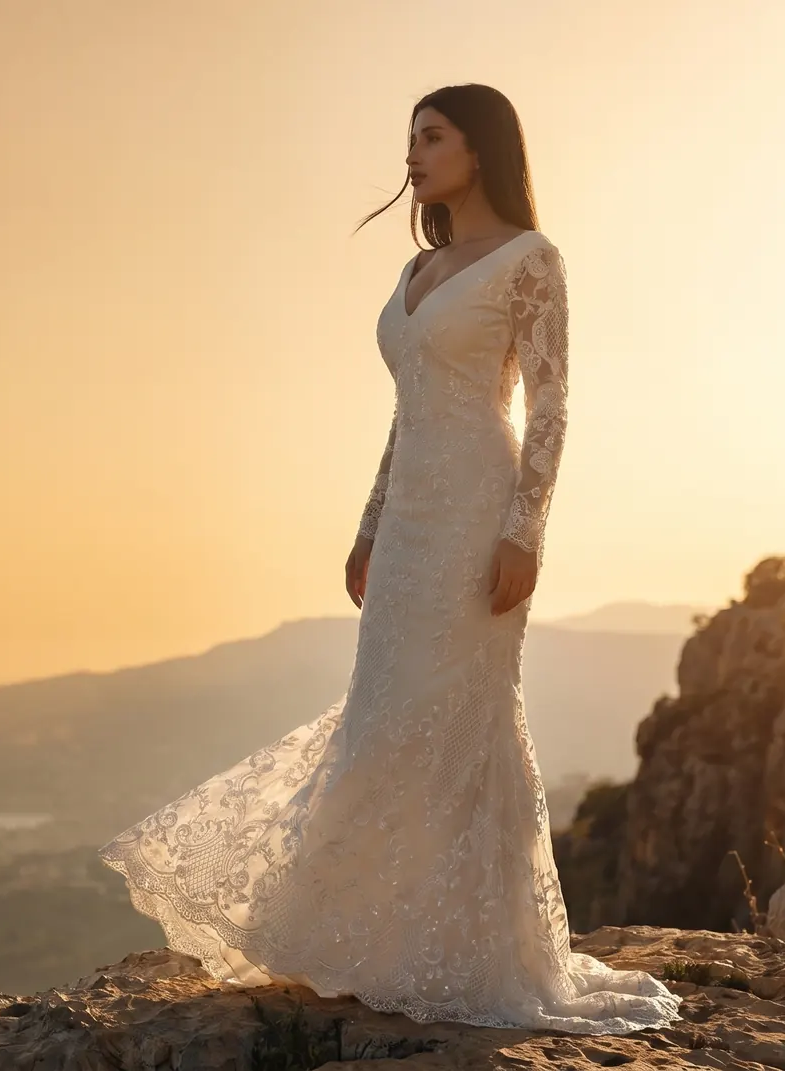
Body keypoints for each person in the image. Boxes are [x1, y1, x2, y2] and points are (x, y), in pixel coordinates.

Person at [97, 84, 684, 1035]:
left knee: (456, 712)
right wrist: (369, 524)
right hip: (409, 519)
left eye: (433, 135)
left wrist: (523, 531)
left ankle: (475, 947)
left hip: (476, 512)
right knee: (382, 714)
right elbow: (405, 412)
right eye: (409, 137)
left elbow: (552, 406)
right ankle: (374, 934)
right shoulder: (420, 268)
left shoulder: (530, 260)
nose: (412, 153)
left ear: (480, 149)